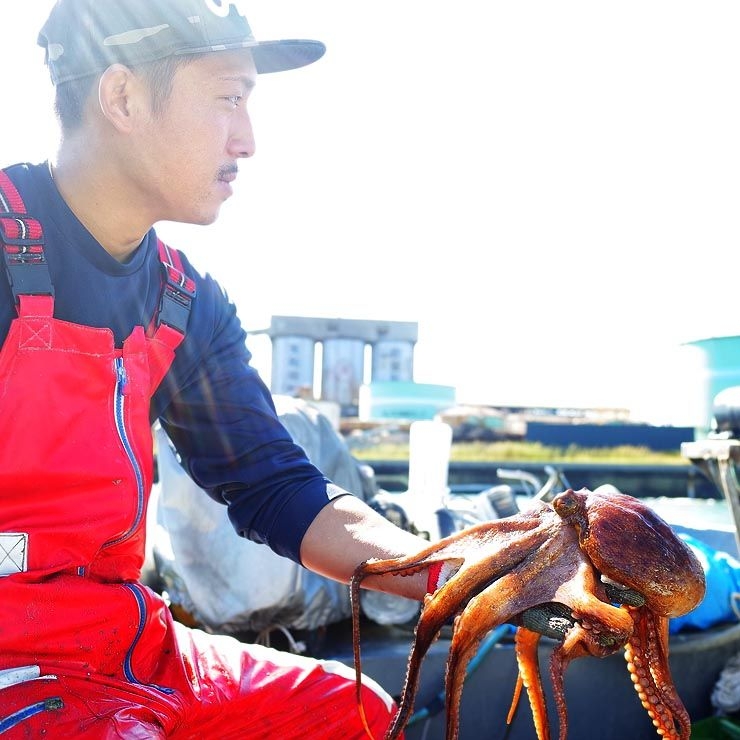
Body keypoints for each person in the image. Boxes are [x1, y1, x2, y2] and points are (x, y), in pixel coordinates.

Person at [0, 1, 437, 737]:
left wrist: (459, 571)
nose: (249, 139)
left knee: (358, 713)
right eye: (228, 97)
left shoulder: (186, 302)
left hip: (121, 646)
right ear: (123, 97)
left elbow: (276, 489)